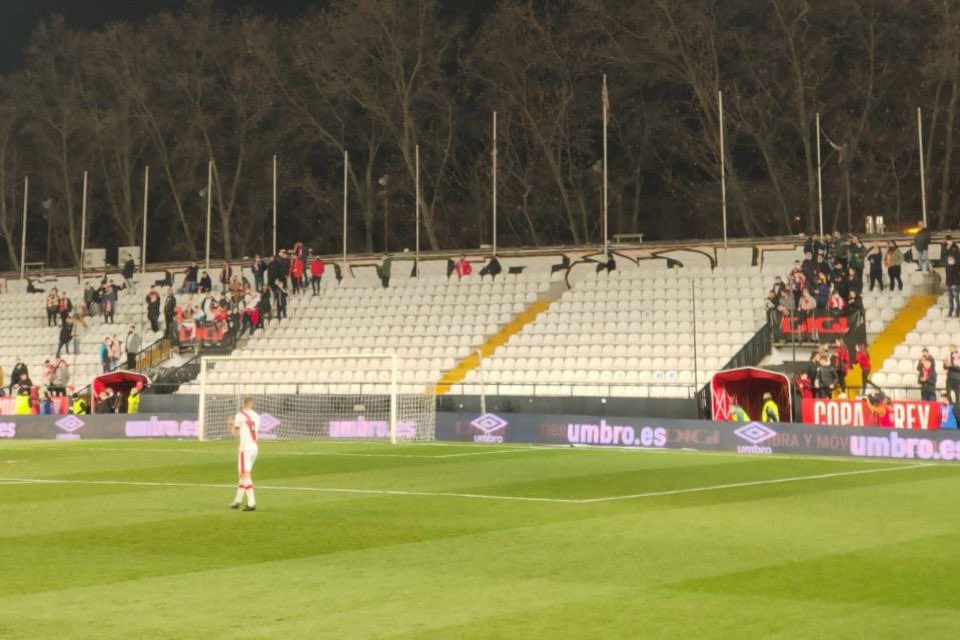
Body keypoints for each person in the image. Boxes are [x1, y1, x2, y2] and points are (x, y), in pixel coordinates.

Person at [228, 396, 260, 511]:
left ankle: (251, 503)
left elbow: (235, 434)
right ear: (252, 404)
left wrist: (232, 424)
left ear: (243, 404)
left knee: (245, 475)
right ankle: (237, 501)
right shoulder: (256, 416)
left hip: (245, 449)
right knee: (242, 475)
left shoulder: (239, 416)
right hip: (254, 448)